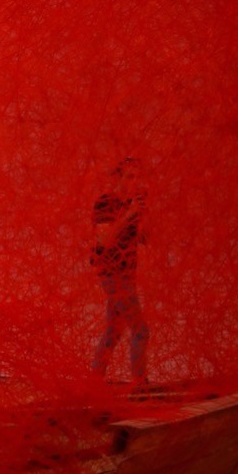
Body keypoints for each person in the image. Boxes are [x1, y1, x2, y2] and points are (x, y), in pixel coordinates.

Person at [90, 157, 149, 384]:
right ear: (118, 178)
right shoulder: (105, 202)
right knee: (141, 329)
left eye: (138, 177)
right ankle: (139, 385)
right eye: (130, 177)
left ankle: (93, 382)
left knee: (113, 332)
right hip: (112, 273)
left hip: (127, 273)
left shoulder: (132, 204)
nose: (135, 182)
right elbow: (104, 240)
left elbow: (146, 238)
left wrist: (143, 217)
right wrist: (130, 214)